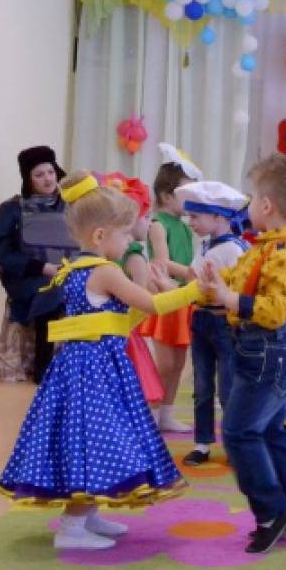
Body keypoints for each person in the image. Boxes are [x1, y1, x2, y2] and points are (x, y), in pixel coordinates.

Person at [0, 172, 204, 550]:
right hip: (96, 370)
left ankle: (87, 516)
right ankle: (72, 529)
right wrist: (195, 290)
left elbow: (114, 321)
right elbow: (151, 305)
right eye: (124, 234)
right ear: (99, 236)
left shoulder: (73, 268)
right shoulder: (106, 271)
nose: (128, 242)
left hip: (80, 366)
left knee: (88, 439)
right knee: (95, 441)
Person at [199, 154, 286, 555]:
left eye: (251, 198)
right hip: (263, 350)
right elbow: (234, 284)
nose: (248, 206)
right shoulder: (263, 247)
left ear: (266, 206)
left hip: (270, 350)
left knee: (239, 432)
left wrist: (229, 298)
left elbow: (275, 309)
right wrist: (211, 285)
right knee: (270, 431)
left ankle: (272, 511)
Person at [177, 181, 251, 467]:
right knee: (202, 385)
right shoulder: (206, 245)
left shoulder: (234, 249)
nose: (191, 223)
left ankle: (235, 444)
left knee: (229, 388)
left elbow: (238, 288)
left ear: (219, 217)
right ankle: (202, 442)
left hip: (224, 322)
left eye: (196, 216)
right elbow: (192, 278)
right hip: (201, 319)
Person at [0, 146, 76, 383]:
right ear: (28, 179)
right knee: (53, 289)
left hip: (66, 272)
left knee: (68, 288)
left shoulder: (71, 206)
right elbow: (1, 252)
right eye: (39, 175)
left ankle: (68, 369)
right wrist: (42, 268)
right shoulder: (11, 209)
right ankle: (44, 368)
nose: (47, 179)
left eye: (50, 172)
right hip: (26, 276)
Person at [141, 144, 200, 433]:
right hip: (165, 298)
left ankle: (166, 413)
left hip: (183, 300)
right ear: (166, 196)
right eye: (186, 194)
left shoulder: (186, 228)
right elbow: (163, 262)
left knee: (178, 363)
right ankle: (150, 415)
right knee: (164, 363)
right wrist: (192, 273)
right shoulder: (157, 225)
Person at [98, 172, 163, 405]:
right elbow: (142, 298)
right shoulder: (133, 255)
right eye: (147, 217)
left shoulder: (106, 255)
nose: (150, 224)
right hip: (125, 331)